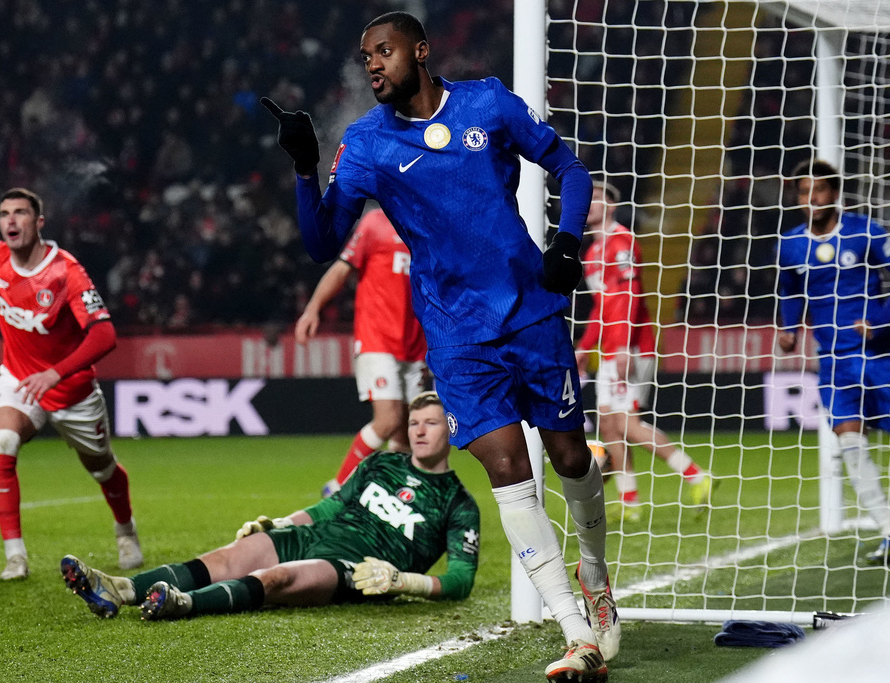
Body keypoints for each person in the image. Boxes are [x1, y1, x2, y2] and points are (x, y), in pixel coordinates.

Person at [262, 11, 618, 679]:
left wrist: (567, 242)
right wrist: (306, 170)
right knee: (509, 467)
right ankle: (577, 634)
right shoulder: (365, 145)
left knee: (570, 455)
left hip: (531, 313)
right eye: (366, 56)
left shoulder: (487, 102)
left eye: (385, 51)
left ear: (420, 52)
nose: (373, 64)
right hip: (456, 335)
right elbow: (319, 244)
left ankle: (595, 576)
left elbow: (567, 168)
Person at [60, 391, 480, 620]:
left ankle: (182, 603)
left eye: (431, 423)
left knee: (276, 578)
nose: (420, 431)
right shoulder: (381, 462)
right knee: (233, 554)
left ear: (452, 429)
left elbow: (461, 580)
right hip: (315, 536)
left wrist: (403, 581)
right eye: (413, 423)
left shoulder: (458, 504)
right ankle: (119, 589)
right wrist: (281, 522)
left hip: (354, 568)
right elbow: (328, 509)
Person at [0, 185, 142, 580]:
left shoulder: (66, 271)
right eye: (4, 214)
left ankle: (125, 529)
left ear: (38, 222)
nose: (10, 221)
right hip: (19, 379)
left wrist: (55, 372)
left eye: (19, 213)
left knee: (102, 469)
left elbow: (104, 335)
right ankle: (15, 556)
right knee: (2, 441)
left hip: (71, 390)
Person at [576, 181, 714, 523]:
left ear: (610, 205)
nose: (588, 203)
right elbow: (600, 307)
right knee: (608, 426)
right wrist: (583, 348)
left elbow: (629, 297)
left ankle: (697, 475)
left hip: (632, 348)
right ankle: (630, 502)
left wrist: (623, 346)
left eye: (595, 197)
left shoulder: (621, 241)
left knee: (626, 423)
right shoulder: (592, 254)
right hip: (610, 350)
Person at [778, 159, 890, 566]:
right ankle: (888, 531)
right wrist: (789, 327)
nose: (813, 199)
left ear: (836, 193)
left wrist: (879, 322)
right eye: (805, 192)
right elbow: (790, 291)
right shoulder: (790, 244)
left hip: (878, 356)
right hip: (833, 361)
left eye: (820, 190)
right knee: (850, 445)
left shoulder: (866, 232)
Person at [295, 207, 427, 496]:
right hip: (377, 338)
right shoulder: (376, 222)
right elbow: (342, 266)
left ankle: (394, 498)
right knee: (388, 419)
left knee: (406, 430)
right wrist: (313, 309)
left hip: (416, 345)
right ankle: (338, 487)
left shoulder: (427, 222)